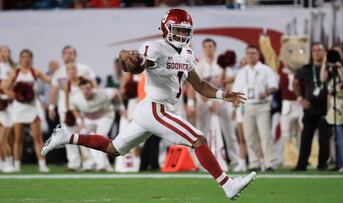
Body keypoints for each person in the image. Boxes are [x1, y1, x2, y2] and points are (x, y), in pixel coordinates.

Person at [42, 8, 256, 200]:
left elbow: (199, 84)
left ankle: (66, 136)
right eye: (177, 30)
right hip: (156, 108)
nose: (182, 35)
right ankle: (228, 184)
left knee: (113, 148)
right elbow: (140, 65)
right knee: (198, 140)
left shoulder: (188, 53)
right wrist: (128, 57)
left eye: (185, 31)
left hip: (153, 110)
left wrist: (221, 94)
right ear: (166, 29)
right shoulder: (155, 47)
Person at [187, 38, 242, 171]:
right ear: (203, 48)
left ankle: (235, 163)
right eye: (206, 46)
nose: (208, 48)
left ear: (215, 48)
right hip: (204, 103)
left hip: (222, 102)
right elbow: (193, 85)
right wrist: (192, 103)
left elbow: (228, 84)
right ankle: (198, 163)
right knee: (200, 133)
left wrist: (221, 101)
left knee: (229, 132)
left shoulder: (222, 64)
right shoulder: (199, 65)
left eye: (211, 46)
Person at [48, 45, 96, 171]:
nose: (68, 55)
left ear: (75, 55)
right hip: (66, 111)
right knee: (69, 138)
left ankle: (89, 162)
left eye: (71, 53)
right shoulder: (59, 73)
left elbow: (93, 86)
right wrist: (51, 107)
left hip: (82, 111)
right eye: (66, 53)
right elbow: (54, 90)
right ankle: (73, 163)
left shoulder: (84, 70)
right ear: (63, 55)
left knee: (84, 137)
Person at [3, 49, 51, 172]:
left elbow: (50, 80)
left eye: (28, 57)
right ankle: (17, 165)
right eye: (23, 57)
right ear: (20, 59)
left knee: (38, 138)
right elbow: (5, 88)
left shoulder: (35, 72)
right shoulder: (15, 72)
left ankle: (42, 164)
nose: (26, 59)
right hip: (19, 107)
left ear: (31, 59)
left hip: (33, 107)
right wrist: (17, 95)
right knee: (18, 139)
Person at [232, 45, 278, 172]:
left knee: (265, 134)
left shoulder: (266, 69)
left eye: (253, 53)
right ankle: (254, 163)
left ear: (258, 55)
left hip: (262, 105)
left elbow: (274, 86)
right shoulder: (242, 72)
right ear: (245, 55)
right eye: (248, 53)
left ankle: (270, 162)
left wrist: (267, 92)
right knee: (250, 136)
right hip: (246, 106)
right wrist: (235, 104)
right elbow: (236, 90)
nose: (251, 55)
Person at [292, 43, 330, 171]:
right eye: (314, 50)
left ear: (324, 52)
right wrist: (300, 98)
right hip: (310, 108)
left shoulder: (330, 68)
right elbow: (295, 82)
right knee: (306, 137)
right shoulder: (307, 68)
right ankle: (301, 164)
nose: (316, 53)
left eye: (319, 50)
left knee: (325, 138)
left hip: (326, 107)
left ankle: (322, 164)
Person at [69, 78, 118, 171]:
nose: (86, 91)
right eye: (83, 89)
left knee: (101, 136)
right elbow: (73, 108)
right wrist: (79, 122)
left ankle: (102, 165)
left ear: (92, 88)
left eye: (88, 88)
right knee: (80, 136)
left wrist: (121, 107)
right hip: (89, 119)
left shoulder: (102, 93)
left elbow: (115, 93)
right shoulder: (76, 98)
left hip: (105, 116)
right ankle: (89, 163)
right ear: (80, 89)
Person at [0, 45, 16, 173]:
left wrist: (5, 94)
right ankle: (2, 162)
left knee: (3, 139)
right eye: (1, 51)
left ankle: (9, 162)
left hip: (6, 108)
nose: (3, 54)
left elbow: (12, 91)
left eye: (5, 51)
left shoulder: (12, 70)